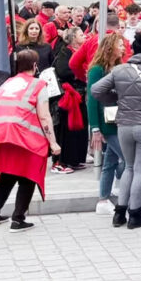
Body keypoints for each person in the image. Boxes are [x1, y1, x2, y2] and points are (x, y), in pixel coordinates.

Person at [91, 33, 141, 228]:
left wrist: (118, 99)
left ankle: (119, 213)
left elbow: (96, 90)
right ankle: (135, 214)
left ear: (132, 50)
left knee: (128, 166)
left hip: (124, 125)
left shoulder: (119, 70)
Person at [0, 50, 61, 232]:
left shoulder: (6, 83)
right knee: (28, 175)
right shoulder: (38, 85)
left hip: (0, 134)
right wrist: (53, 143)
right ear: (35, 65)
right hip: (23, 135)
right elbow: (44, 116)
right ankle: (18, 219)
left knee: (8, 173)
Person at [84, 33, 127, 216]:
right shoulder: (97, 70)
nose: (123, 48)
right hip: (106, 123)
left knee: (111, 161)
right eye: (120, 44)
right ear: (111, 47)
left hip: (117, 120)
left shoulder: (117, 67)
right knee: (127, 158)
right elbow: (92, 100)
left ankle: (104, 197)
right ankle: (111, 190)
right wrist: (95, 127)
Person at [52, 26, 89, 173]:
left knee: (79, 127)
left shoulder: (81, 51)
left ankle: (75, 159)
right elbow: (62, 70)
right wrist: (79, 73)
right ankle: (61, 161)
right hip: (69, 95)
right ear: (73, 38)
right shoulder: (65, 51)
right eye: (81, 34)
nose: (84, 37)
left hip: (80, 94)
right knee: (66, 128)